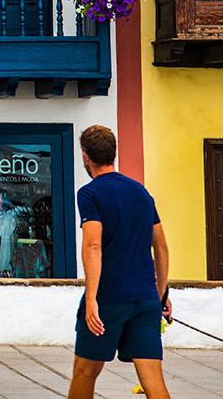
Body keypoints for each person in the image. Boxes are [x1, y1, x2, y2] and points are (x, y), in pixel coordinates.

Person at [68, 125, 172, 399]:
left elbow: (92, 244)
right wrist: (161, 294)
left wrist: (91, 298)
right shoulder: (141, 192)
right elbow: (161, 247)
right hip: (145, 298)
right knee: (153, 381)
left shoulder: (90, 193)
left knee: (85, 373)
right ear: (113, 153)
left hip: (109, 299)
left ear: (85, 156)